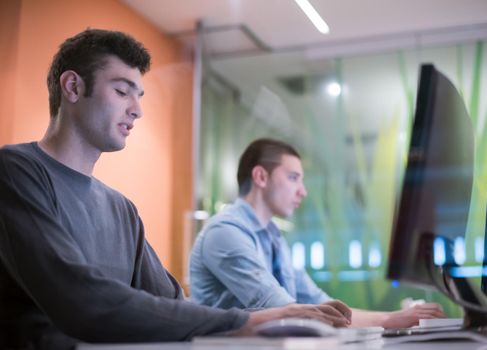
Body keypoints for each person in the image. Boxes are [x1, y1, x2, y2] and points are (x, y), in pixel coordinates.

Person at [0, 29, 352, 350]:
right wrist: (246, 320)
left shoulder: (120, 208)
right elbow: (83, 302)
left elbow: (172, 306)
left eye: (138, 96)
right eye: (122, 91)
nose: (136, 110)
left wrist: (262, 324)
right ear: (73, 87)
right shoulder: (15, 173)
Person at [190, 138, 446, 328]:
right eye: (293, 178)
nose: (303, 191)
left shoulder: (274, 240)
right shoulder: (225, 232)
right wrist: (390, 319)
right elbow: (283, 308)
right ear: (261, 177)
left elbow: (321, 306)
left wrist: (393, 319)